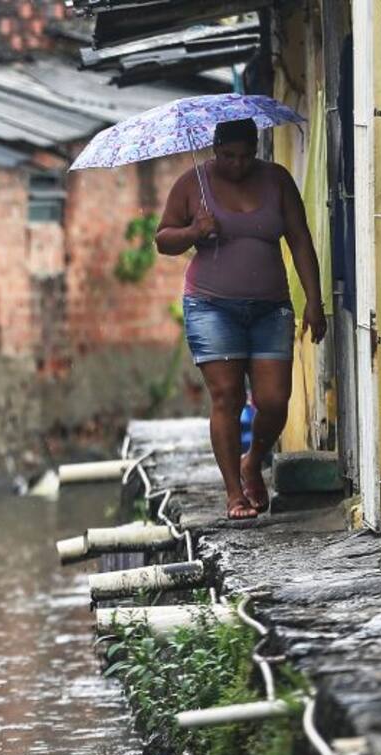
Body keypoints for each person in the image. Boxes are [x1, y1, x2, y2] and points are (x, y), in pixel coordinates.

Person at [155, 118, 326, 520]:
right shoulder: (191, 183)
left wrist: (314, 301)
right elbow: (163, 239)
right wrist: (195, 229)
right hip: (211, 306)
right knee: (227, 397)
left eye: (246, 155)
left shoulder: (276, 180)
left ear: (256, 148)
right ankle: (235, 493)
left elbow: (300, 239)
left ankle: (253, 461)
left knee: (273, 400)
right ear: (215, 149)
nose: (237, 164)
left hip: (270, 306)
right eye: (228, 156)